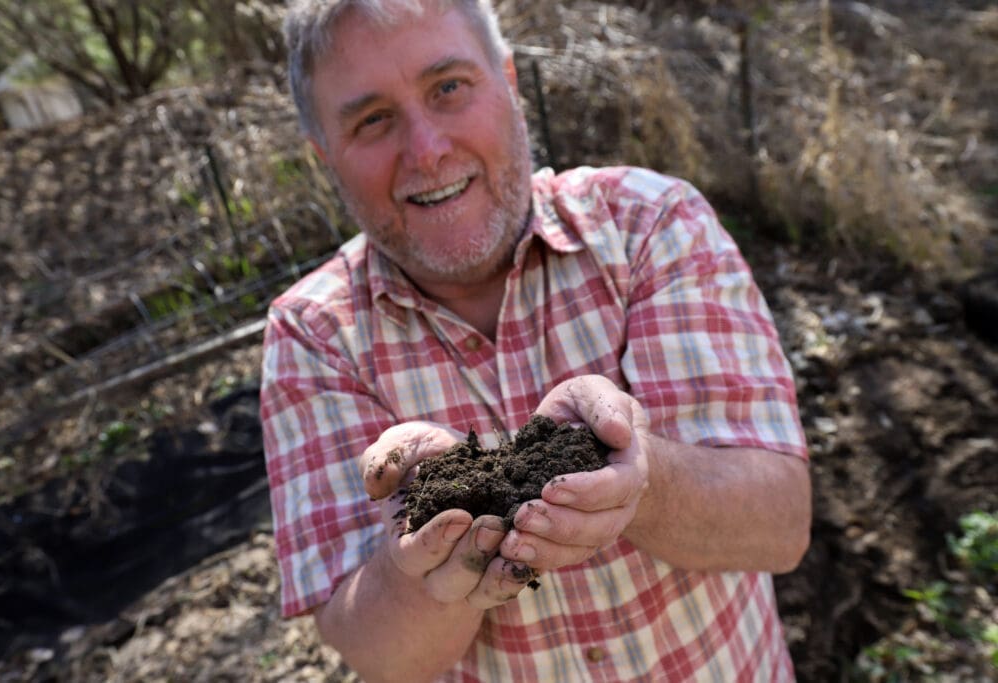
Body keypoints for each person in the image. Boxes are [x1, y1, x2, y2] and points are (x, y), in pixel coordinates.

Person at [261, 0, 812, 680]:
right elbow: (378, 655)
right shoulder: (313, 336)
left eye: (449, 88)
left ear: (510, 82)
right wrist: (422, 568)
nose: (427, 150)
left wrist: (641, 477)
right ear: (326, 158)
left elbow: (782, 525)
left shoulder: (649, 225)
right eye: (372, 120)